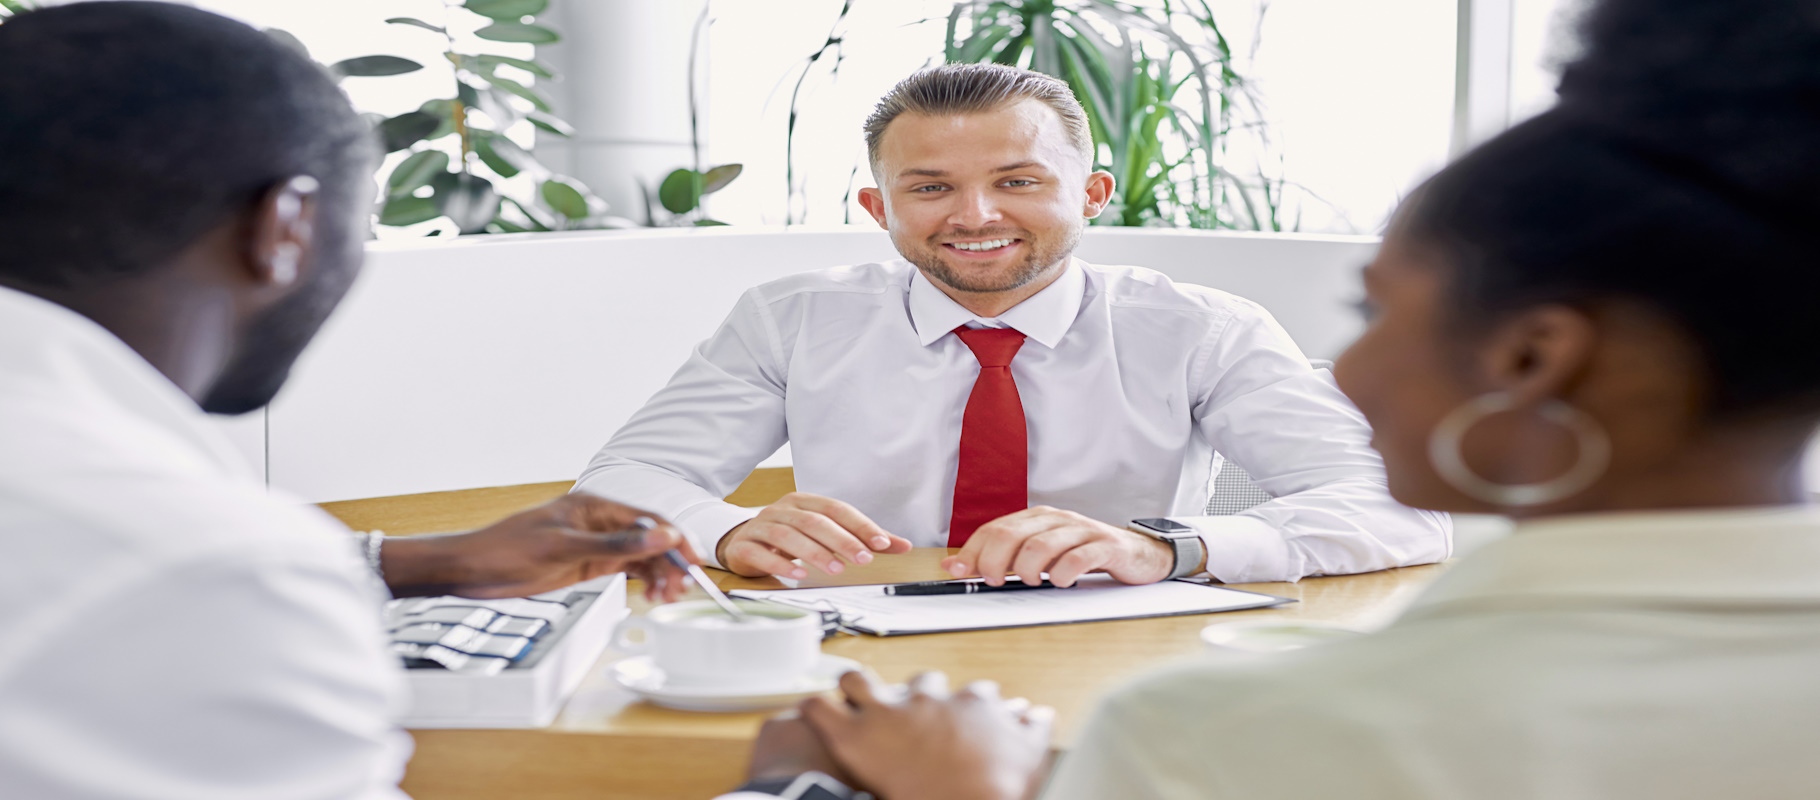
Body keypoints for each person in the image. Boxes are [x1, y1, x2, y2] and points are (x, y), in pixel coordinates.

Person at [732, 0, 1820, 796]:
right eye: (931, 185)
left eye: (1376, 310)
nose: (1345, 369)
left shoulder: (1223, 735)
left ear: (1535, 356)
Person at [0, 4, 699, 796]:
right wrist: (781, 781)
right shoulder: (202, 564)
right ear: (285, 227)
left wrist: (411, 563)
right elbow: (168, 573)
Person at [576, 63, 1450, 587]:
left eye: (1019, 180)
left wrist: (1169, 549)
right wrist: (723, 528)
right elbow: (621, 482)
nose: (975, 214)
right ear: (881, 207)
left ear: (1092, 195)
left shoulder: (1202, 330)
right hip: (852, 640)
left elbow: (1403, 513)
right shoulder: (792, 317)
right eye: (930, 188)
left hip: (1120, 639)